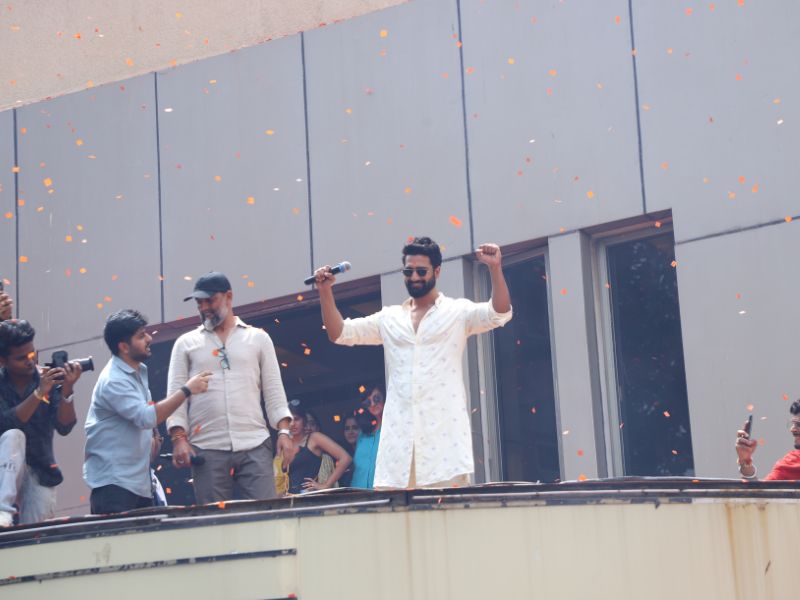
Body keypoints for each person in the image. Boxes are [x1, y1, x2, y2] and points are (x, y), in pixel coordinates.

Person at [314, 237, 512, 489]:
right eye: (408, 272)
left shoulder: (456, 312)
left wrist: (495, 268)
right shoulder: (390, 318)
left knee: (446, 514)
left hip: (444, 448)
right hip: (398, 450)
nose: (414, 277)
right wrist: (325, 291)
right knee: (396, 514)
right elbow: (339, 333)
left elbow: (499, 313)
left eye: (421, 271)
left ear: (437, 271)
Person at [166, 272, 293, 504]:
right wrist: (178, 438)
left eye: (210, 300)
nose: (204, 307)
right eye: (199, 303)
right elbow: (176, 395)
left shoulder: (258, 338)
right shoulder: (185, 343)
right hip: (206, 445)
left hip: (254, 441)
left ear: (229, 296)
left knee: (266, 513)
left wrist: (284, 432)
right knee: (214, 519)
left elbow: (274, 389)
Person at [84, 310, 211, 515]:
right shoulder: (113, 380)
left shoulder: (137, 372)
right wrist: (187, 390)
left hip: (138, 484)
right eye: (141, 335)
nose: (149, 338)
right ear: (124, 347)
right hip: (114, 486)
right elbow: (146, 417)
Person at [0, 319, 83, 527]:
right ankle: (2, 510)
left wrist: (67, 390)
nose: (30, 361)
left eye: (32, 354)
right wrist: (39, 394)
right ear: (3, 360)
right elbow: (7, 423)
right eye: (21, 358)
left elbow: (64, 426)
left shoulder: (47, 379)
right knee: (14, 436)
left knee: (35, 535)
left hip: (41, 470)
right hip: (3, 469)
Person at [281, 404, 351, 494]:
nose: (292, 423)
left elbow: (346, 458)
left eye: (296, 419)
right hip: (290, 499)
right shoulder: (286, 444)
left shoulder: (314, 438)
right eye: (289, 420)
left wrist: (326, 485)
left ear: (304, 420)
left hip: (310, 497)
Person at [735, 400, 800, 480]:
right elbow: (760, 488)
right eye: (793, 424)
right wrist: (745, 462)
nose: (792, 429)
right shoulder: (791, 463)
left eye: (799, 424)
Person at [350, 385, 384, 489]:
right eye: (368, 402)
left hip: (383, 491)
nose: (373, 404)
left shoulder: (391, 430)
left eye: (376, 399)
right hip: (358, 492)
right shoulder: (362, 434)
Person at [339, 413, 360, 487]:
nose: (351, 432)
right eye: (347, 429)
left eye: (355, 427)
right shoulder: (342, 455)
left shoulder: (369, 453)